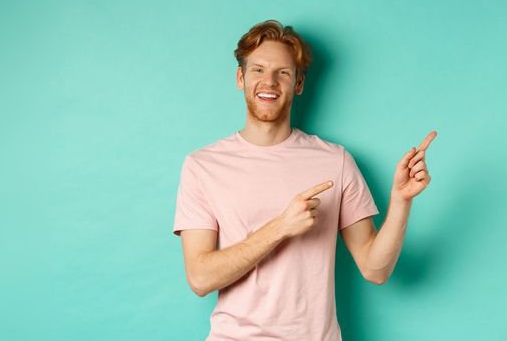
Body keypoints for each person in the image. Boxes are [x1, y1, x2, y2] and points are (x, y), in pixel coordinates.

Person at [172, 19, 437, 340]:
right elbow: (200, 278)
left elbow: (375, 269)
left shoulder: (335, 161)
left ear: (298, 84)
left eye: (283, 72)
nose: (268, 81)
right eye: (257, 70)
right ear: (240, 78)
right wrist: (281, 227)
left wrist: (401, 202)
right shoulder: (203, 165)